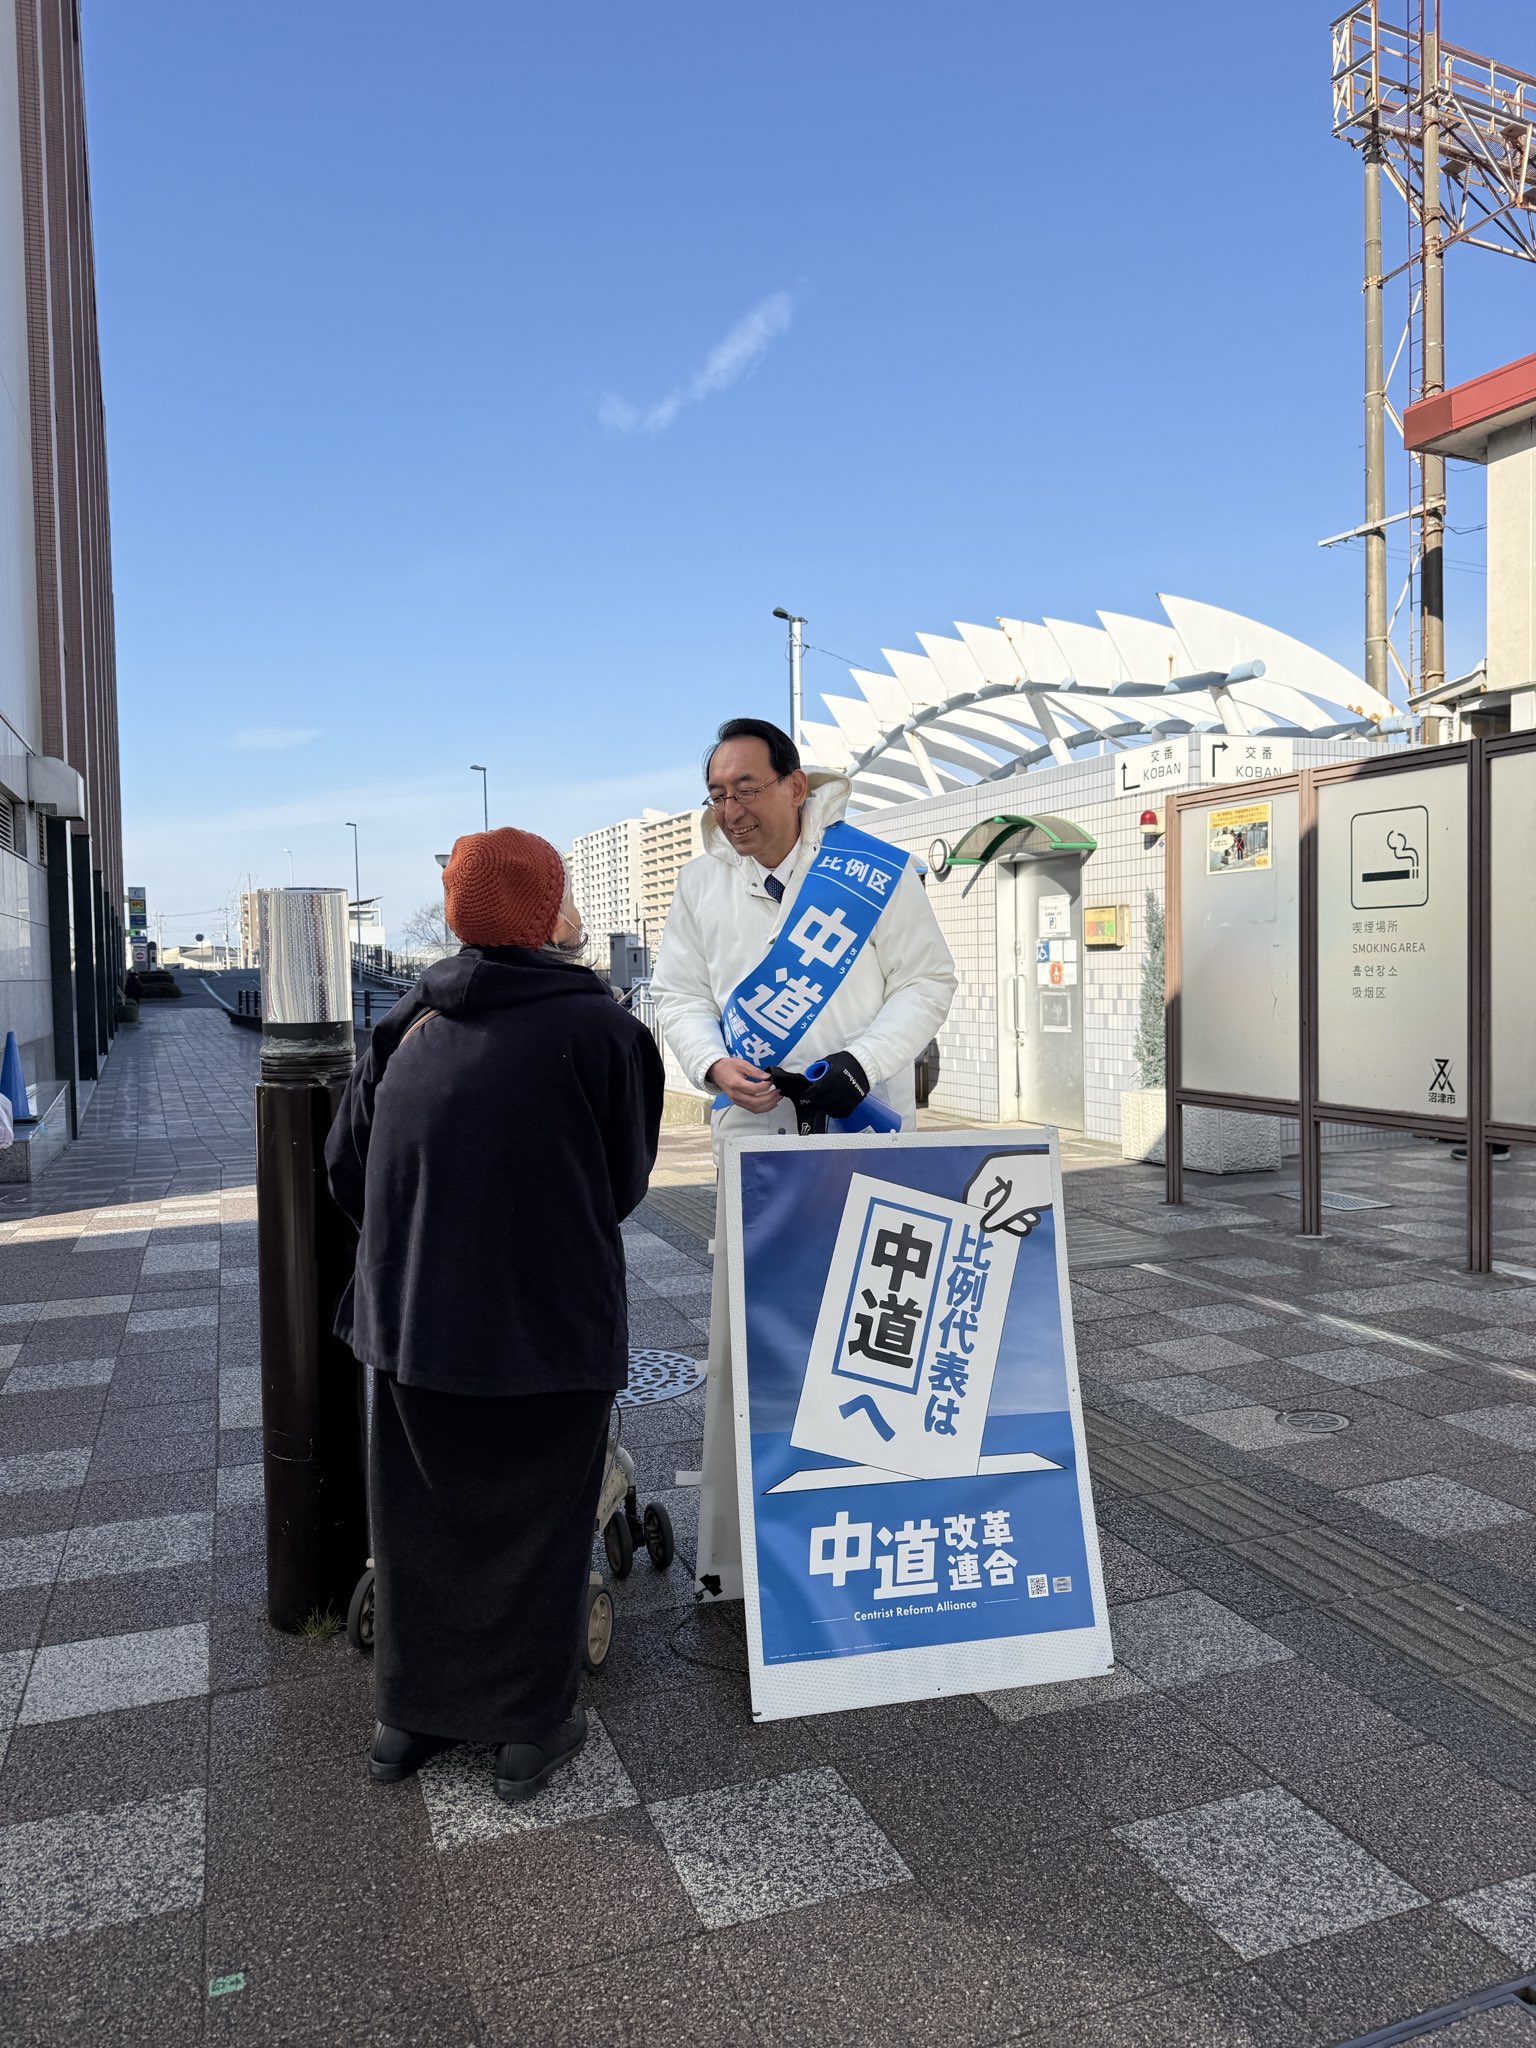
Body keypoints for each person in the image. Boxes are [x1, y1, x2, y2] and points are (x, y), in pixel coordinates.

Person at [325, 827, 664, 1802]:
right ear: (543, 907)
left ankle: (406, 1722)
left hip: (410, 1322)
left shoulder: (406, 1022)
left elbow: (349, 1167)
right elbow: (624, 1181)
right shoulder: (603, 1029)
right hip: (551, 1329)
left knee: (420, 1519)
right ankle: (526, 1731)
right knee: (538, 1526)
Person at [651, 717, 956, 1141]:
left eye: (747, 790)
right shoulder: (698, 882)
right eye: (718, 796)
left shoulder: (876, 869)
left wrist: (863, 1063)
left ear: (795, 787)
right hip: (750, 1132)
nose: (731, 811)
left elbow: (926, 982)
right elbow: (680, 994)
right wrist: (712, 1063)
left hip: (862, 1120)